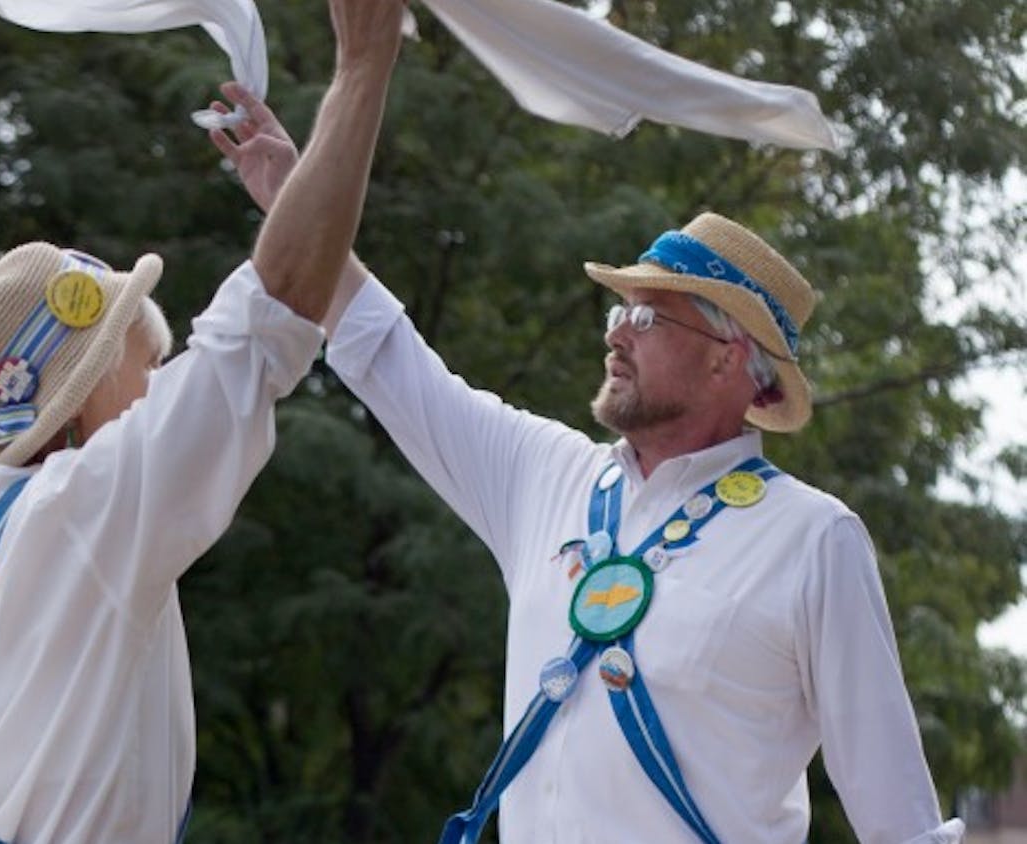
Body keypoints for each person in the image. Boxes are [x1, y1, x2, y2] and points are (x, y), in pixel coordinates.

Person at [210, 89, 964, 843]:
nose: (615, 338)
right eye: (617, 313)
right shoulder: (547, 474)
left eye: (644, 317)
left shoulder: (813, 540)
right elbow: (389, 356)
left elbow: (900, 817)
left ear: (725, 361)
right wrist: (299, 200)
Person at [0, 2, 405, 841]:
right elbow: (268, 322)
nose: (159, 390)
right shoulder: (79, 510)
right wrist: (362, 69)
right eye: (144, 366)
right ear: (76, 397)